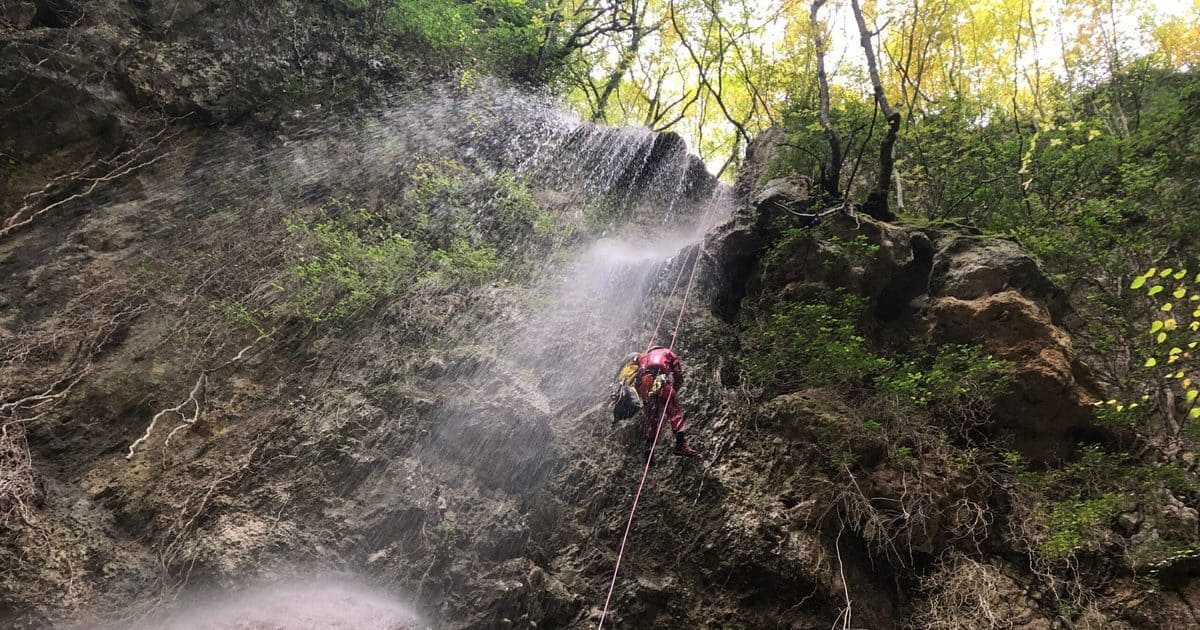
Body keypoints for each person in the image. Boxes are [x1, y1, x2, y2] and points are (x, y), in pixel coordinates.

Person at [634, 345, 699, 458]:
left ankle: (649, 449)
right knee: (674, 412)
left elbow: (638, 377)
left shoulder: (644, 357)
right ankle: (680, 444)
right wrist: (674, 390)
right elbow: (677, 373)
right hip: (661, 381)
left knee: (653, 418)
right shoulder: (667, 352)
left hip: (646, 387)